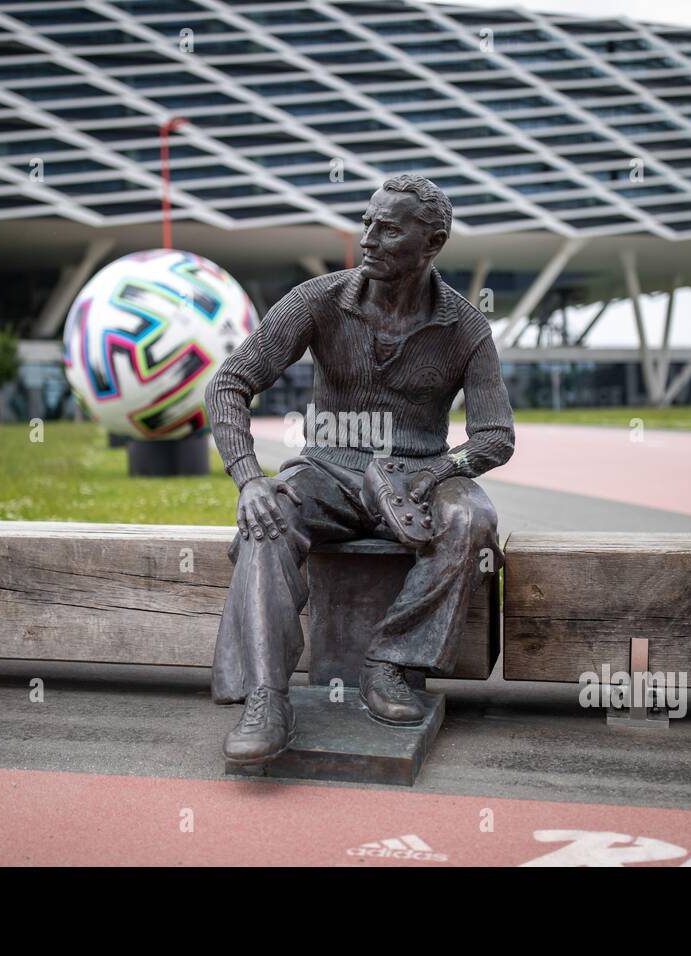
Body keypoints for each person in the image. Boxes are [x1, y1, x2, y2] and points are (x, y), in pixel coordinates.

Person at [206, 174, 515, 765]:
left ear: (432, 244)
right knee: (266, 521)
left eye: (389, 229)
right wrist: (248, 477)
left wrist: (439, 473)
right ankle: (265, 698)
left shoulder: (466, 327)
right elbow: (229, 383)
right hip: (326, 469)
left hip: (420, 475)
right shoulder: (317, 299)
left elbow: (495, 436)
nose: (368, 238)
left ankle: (391, 663)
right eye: (368, 222)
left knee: (471, 518)